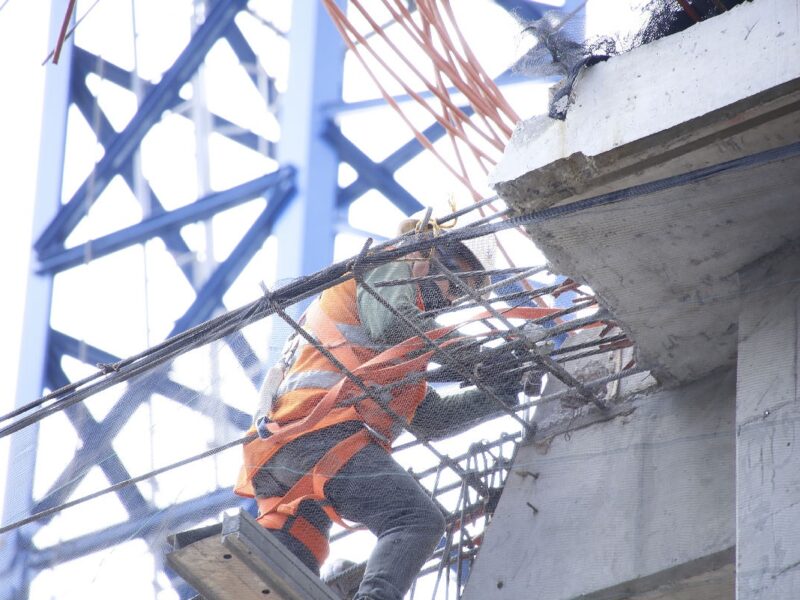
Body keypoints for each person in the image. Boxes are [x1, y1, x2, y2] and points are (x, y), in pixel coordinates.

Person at [234, 219, 522, 600]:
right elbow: (392, 323)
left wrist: (499, 391)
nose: (452, 298)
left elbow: (430, 418)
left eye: (463, 292)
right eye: (454, 281)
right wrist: (478, 357)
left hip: (290, 456)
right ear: (427, 253)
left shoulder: (400, 348)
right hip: (321, 437)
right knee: (415, 520)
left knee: (292, 559)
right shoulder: (389, 266)